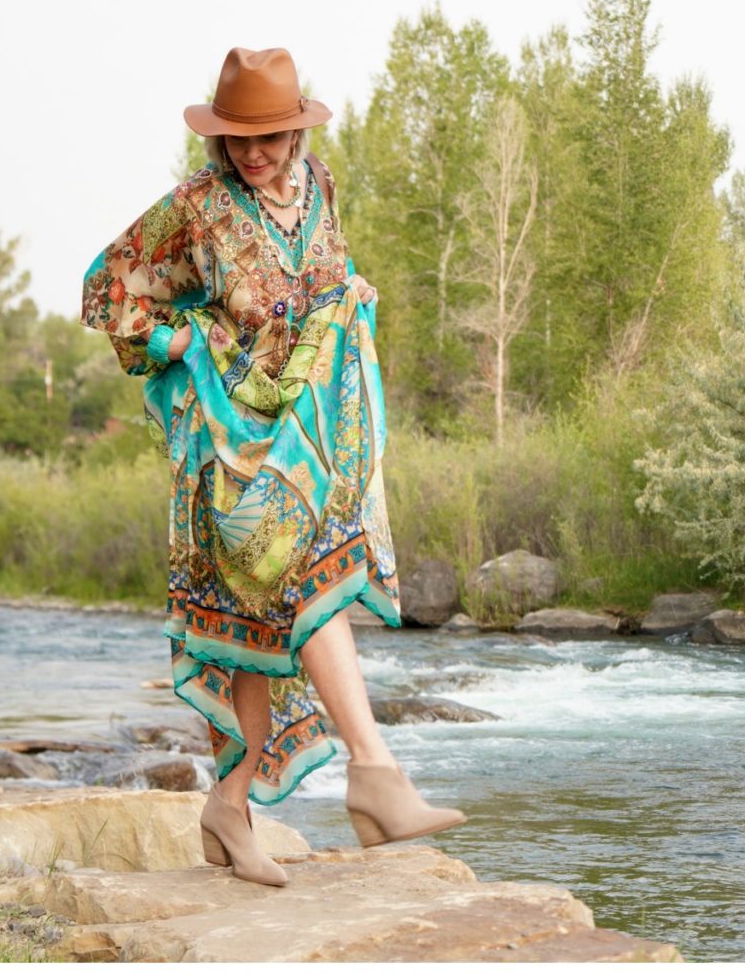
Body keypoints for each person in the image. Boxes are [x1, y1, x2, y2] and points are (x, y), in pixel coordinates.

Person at [80, 47, 466, 887]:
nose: (254, 153)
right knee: (298, 576)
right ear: (220, 138)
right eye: (239, 139)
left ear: (296, 131)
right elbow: (104, 290)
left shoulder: (319, 186)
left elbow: (326, 275)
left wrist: (349, 294)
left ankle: (229, 810)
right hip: (226, 446)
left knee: (253, 630)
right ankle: (374, 774)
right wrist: (175, 342)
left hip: (306, 432)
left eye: (269, 137)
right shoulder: (195, 208)